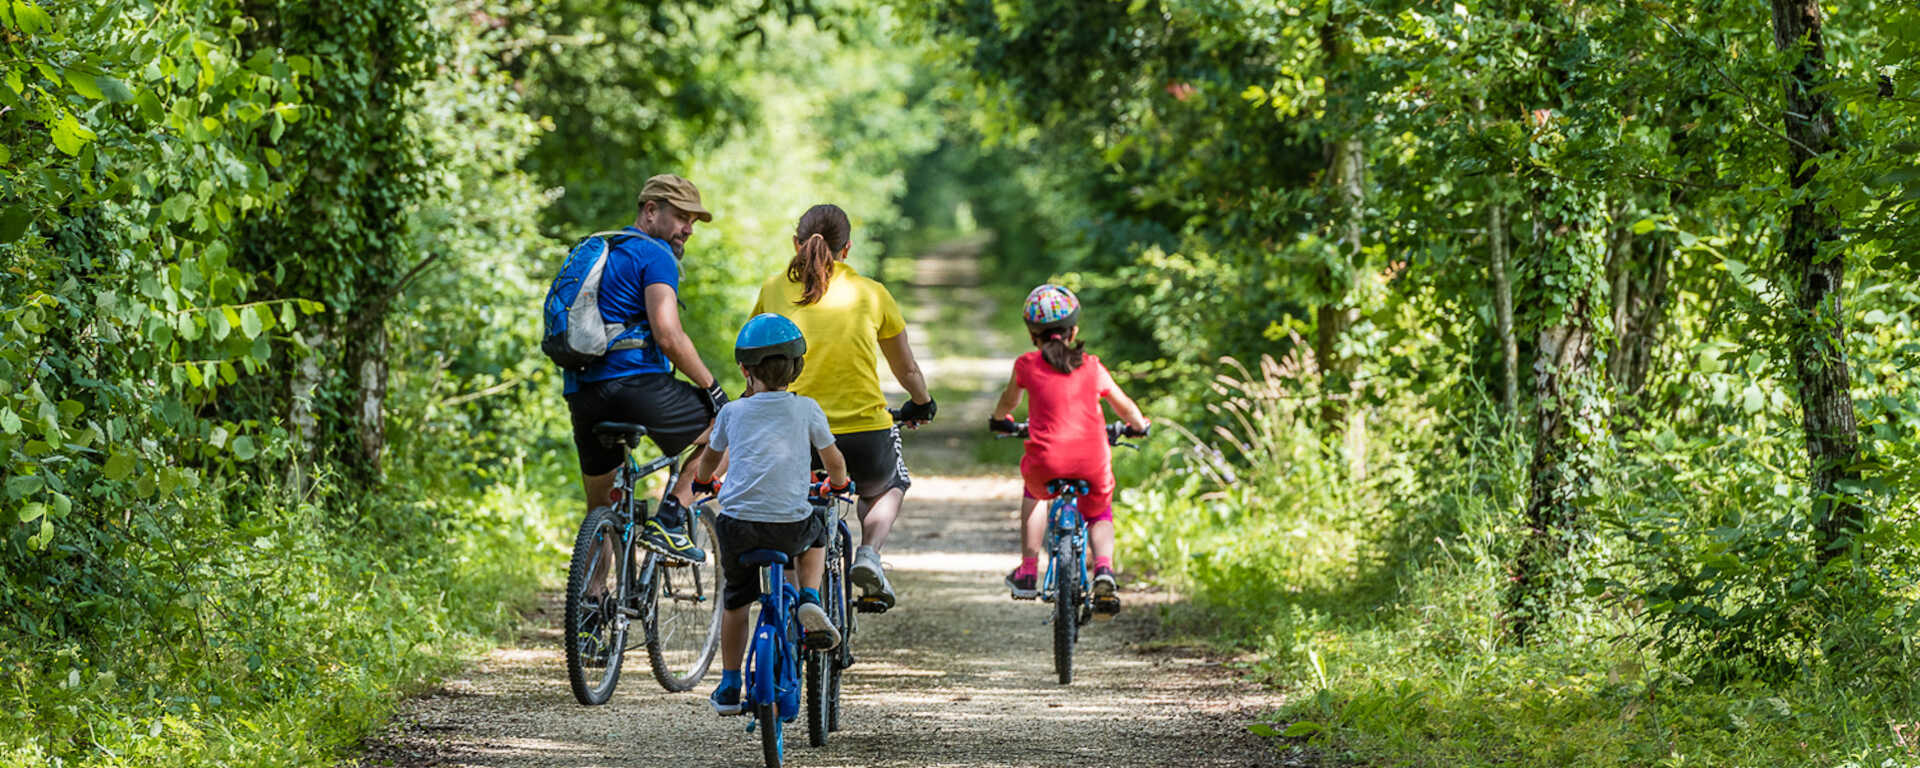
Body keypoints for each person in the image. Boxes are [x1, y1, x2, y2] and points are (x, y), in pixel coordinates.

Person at [750, 203, 935, 612]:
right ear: (847, 249)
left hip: (789, 431)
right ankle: (870, 553)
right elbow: (906, 368)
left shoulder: (772, 290)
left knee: (793, 508)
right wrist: (922, 403)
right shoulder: (871, 293)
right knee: (890, 484)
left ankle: (794, 604)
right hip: (861, 434)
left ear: (796, 243)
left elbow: (753, 362)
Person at [563, 174, 730, 563]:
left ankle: (593, 605)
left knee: (599, 508)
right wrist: (714, 390)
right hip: (634, 387)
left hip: (583, 392)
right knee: (730, 429)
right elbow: (669, 335)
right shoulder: (654, 254)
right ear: (651, 210)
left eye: (694, 222)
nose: (688, 229)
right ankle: (670, 521)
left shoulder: (604, 248)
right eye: (682, 217)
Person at [693, 314, 850, 715]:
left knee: (735, 602)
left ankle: (729, 685)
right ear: (797, 368)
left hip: (738, 526)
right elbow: (833, 460)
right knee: (816, 532)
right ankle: (809, 597)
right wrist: (839, 482)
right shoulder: (808, 409)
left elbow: (710, 461)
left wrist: (704, 480)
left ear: (745, 370)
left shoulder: (732, 413)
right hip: (789, 526)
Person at [989, 284, 1149, 617]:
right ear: (1073, 330)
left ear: (1033, 333)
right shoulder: (1091, 366)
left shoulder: (1027, 365)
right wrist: (1139, 425)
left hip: (1045, 461)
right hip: (1092, 459)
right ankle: (1104, 569)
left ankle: (1029, 569)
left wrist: (1000, 420)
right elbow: (1126, 408)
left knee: (1034, 494)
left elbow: (1009, 403)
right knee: (1099, 510)